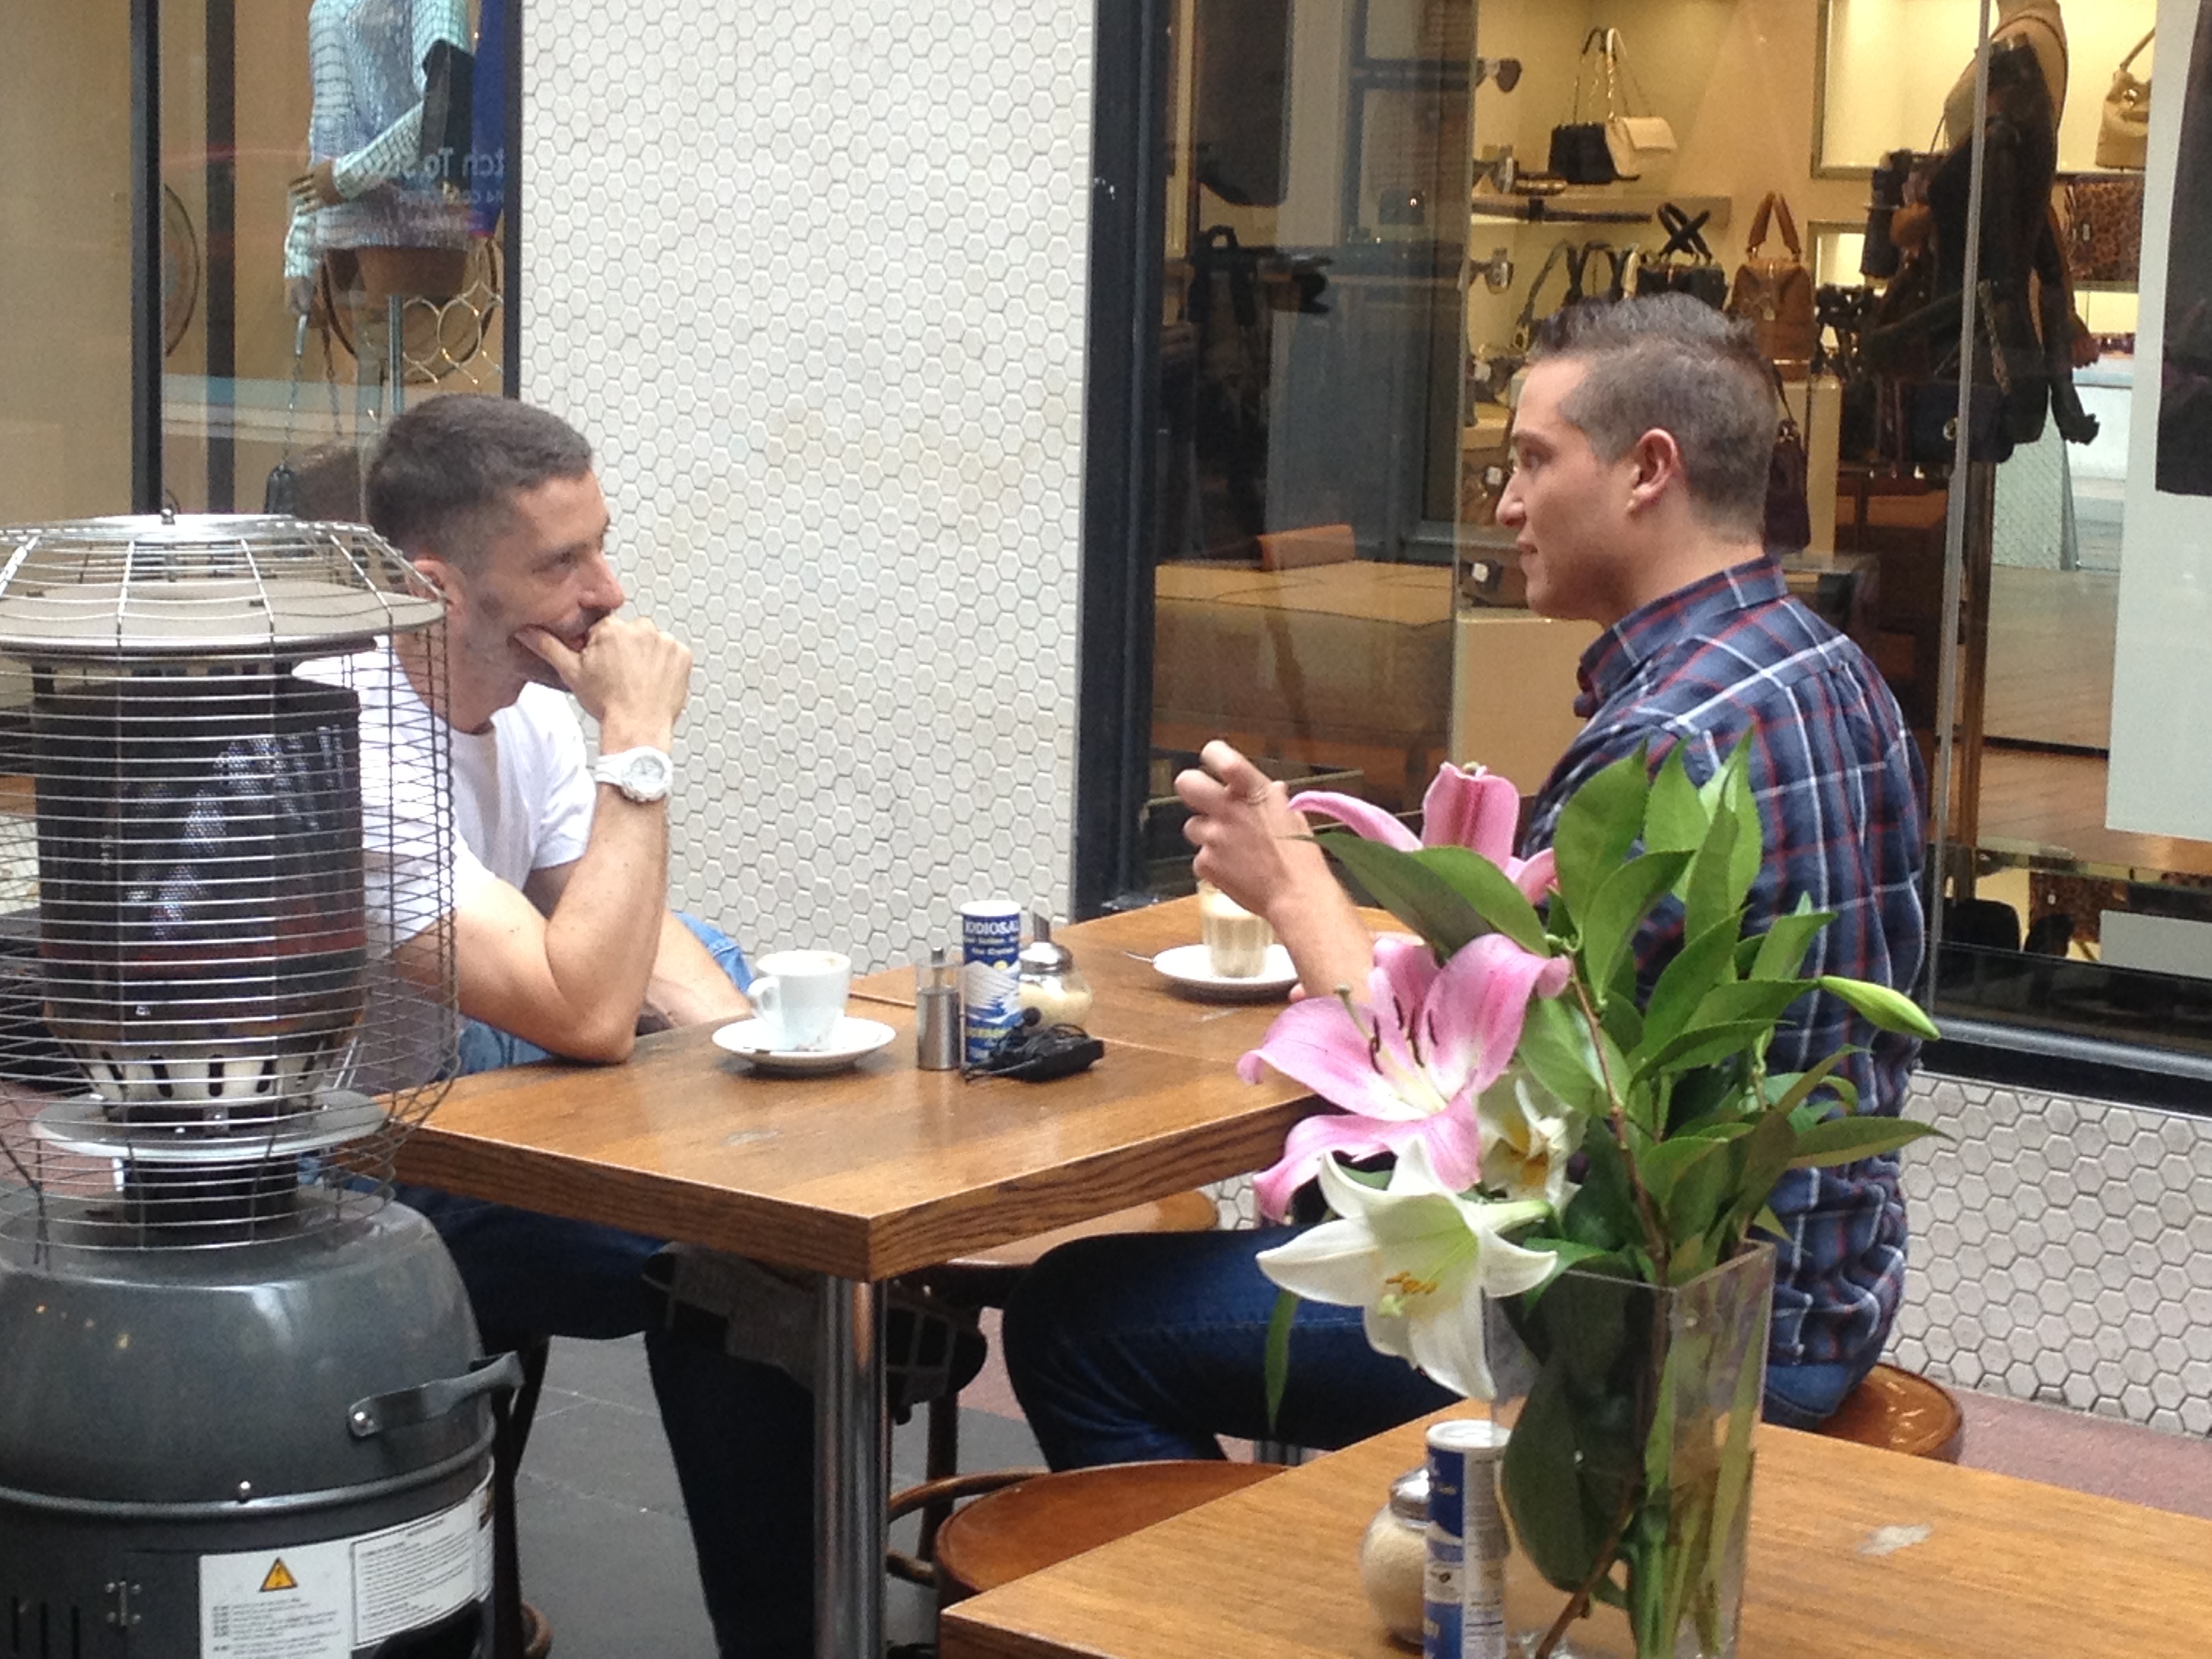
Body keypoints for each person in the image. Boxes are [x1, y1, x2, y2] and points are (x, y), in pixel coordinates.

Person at [1002, 295, 1929, 1463]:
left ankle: (1241, 1573)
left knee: (1075, 1322)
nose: (1505, 505)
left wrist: (1295, 889)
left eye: (1533, 460)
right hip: (1828, 1293)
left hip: (1664, 1334)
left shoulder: (1660, 744)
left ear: (1649, 471)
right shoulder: (1836, 670)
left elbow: (1488, 1132)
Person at [357, 394, 808, 1657]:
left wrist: (786, 1098)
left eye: (601, 545)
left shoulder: (528, 711)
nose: (607, 594)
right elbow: (589, 1010)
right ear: (435, 587)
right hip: (348, 1181)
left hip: (476, 1100)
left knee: (729, 1002)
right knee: (728, 1266)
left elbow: (640, 956)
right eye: (562, 562)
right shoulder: (352, 747)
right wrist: (640, 743)